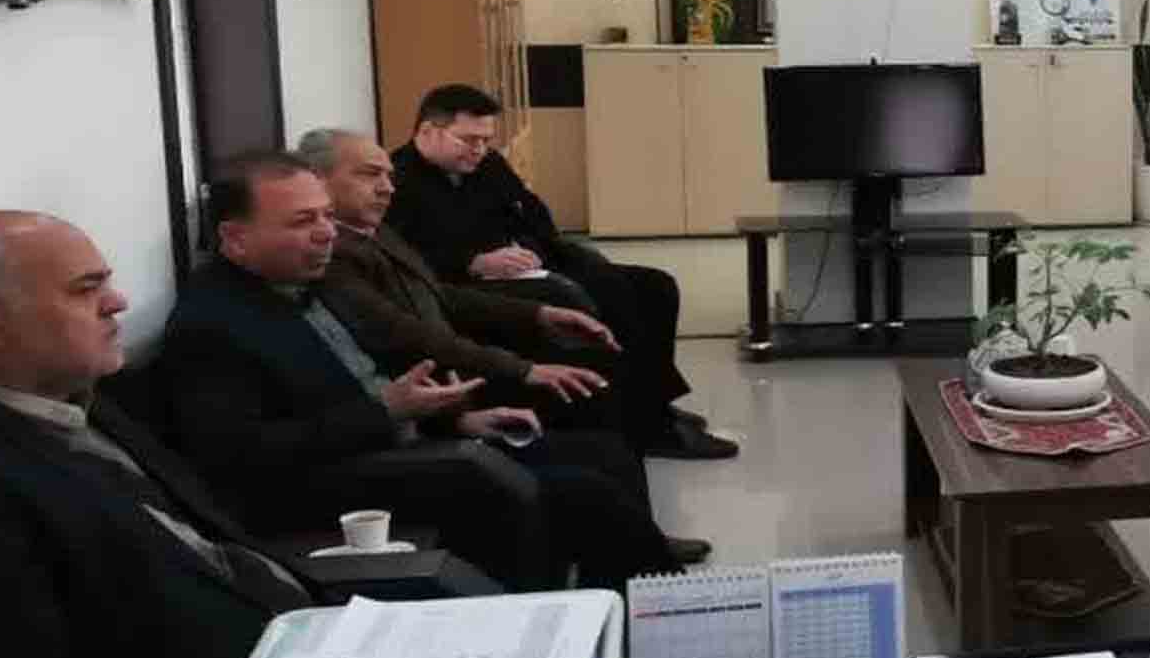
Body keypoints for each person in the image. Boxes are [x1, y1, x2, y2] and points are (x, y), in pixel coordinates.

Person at [161, 152, 694, 592]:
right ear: (235, 238)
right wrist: (386, 412)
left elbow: (395, 346)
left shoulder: (309, 279)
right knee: (586, 496)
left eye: (325, 216)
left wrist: (456, 421)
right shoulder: (211, 327)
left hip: (397, 438)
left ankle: (635, 618)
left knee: (602, 451)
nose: (326, 234)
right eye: (303, 222)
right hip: (331, 480)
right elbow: (241, 458)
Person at [0, 211, 324, 658]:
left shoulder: (75, 396)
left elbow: (209, 550)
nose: (118, 302)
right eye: (86, 289)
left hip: (307, 646)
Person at [302, 126, 707, 563]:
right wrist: (521, 370)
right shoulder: (333, 254)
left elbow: (441, 294)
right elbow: (405, 333)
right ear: (316, 181)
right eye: (369, 175)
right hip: (440, 389)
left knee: (603, 369)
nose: (386, 188)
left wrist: (538, 315)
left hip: (452, 375)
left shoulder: (371, 229)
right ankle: (637, 540)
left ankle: (641, 531)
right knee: (596, 399)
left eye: (387, 176)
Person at [384, 83, 737, 460]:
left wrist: (530, 249)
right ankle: (647, 424)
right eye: (469, 140)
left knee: (655, 286)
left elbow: (531, 212)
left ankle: (653, 399)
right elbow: (406, 262)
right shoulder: (396, 181)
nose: (479, 150)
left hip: (524, 267)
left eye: (486, 141)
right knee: (608, 293)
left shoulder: (487, 165)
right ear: (428, 131)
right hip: (465, 283)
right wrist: (471, 261)